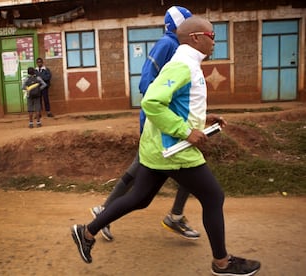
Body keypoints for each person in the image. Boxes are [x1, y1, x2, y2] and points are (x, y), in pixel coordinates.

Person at [71, 16, 261, 276]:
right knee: (213, 196)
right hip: (173, 149)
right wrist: (185, 131)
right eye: (212, 36)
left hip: (158, 148)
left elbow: (175, 104)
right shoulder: (182, 65)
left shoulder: (188, 64)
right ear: (195, 38)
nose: (215, 42)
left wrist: (203, 119)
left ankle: (87, 232)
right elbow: (151, 102)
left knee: (139, 198)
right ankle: (222, 263)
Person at [89, 6, 199, 241]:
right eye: (191, 24)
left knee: (142, 169)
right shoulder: (168, 45)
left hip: (171, 122)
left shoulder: (180, 48)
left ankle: (105, 211)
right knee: (189, 167)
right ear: (180, 27)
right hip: (160, 122)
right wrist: (165, 112)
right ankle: (174, 217)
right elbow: (146, 84)